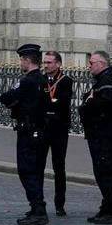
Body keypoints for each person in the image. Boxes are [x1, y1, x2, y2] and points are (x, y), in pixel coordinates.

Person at [0, 43, 51, 225]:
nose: (20, 63)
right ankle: (37, 207)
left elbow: (9, 97)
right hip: (40, 131)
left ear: (27, 60)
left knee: (27, 170)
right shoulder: (42, 79)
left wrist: (6, 101)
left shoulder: (28, 80)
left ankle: (38, 210)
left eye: (21, 59)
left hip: (28, 131)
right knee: (36, 171)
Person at [79, 51, 112, 223]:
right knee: (102, 172)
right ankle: (107, 207)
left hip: (104, 134)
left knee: (104, 172)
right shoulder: (102, 81)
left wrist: (88, 104)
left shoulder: (107, 81)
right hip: (99, 133)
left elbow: (105, 105)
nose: (89, 66)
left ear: (101, 63)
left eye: (91, 62)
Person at [40, 51, 74, 216]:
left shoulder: (66, 81)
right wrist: (50, 102)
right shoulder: (40, 79)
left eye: (49, 62)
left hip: (59, 129)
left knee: (59, 167)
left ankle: (60, 204)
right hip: (43, 128)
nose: (46, 65)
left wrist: (48, 103)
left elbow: (62, 102)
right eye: (45, 62)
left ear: (58, 64)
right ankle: (38, 203)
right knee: (38, 165)